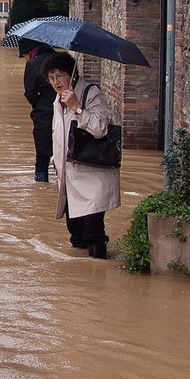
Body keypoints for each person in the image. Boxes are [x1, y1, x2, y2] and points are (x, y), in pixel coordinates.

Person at [40, 51, 121, 259]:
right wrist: (54, 160)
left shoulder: (91, 94)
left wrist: (77, 107)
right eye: (51, 78)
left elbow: (101, 127)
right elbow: (58, 133)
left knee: (94, 233)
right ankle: (79, 284)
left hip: (91, 175)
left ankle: (97, 281)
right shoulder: (57, 100)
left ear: (73, 74)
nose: (56, 82)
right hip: (69, 176)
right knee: (76, 235)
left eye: (60, 76)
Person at [19, 37, 56, 182]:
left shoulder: (33, 64)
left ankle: (41, 184)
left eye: (24, 56)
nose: (25, 59)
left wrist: (38, 105)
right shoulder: (62, 60)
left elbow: (30, 92)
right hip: (67, 113)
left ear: (30, 51)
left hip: (43, 115)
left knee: (42, 156)